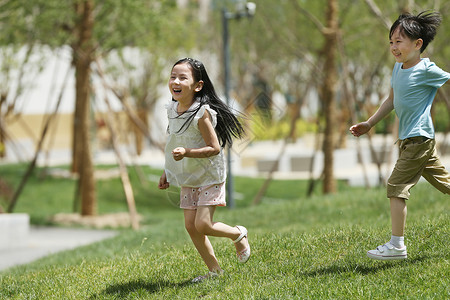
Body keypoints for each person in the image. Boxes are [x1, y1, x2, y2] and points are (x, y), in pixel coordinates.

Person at [349, 11, 450, 260]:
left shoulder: (427, 69)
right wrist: (370, 123)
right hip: (408, 140)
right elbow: (392, 100)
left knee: (396, 186)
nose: (394, 47)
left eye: (399, 41)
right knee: (445, 183)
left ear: (418, 44)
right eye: (391, 41)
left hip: (419, 138)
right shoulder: (397, 68)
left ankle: (397, 246)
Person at [158, 58, 250, 282]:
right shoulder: (172, 109)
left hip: (210, 175)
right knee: (191, 226)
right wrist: (167, 171)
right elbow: (172, 142)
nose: (175, 81)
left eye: (182, 77)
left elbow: (214, 148)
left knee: (203, 224)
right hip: (188, 175)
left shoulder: (202, 113)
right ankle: (215, 272)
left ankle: (238, 234)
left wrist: (187, 152)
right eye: (173, 76)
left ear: (198, 86)